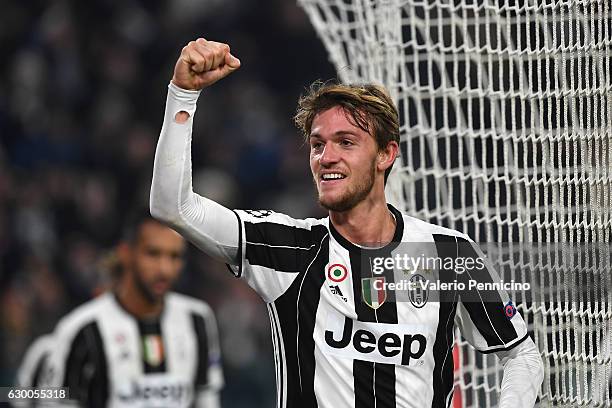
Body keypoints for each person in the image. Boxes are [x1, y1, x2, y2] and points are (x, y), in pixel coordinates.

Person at [150, 38, 544, 407]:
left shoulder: (447, 253)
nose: (326, 157)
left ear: (386, 155)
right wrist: (183, 94)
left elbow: (522, 353)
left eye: (346, 142)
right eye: (318, 144)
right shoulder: (288, 248)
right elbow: (174, 207)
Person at [44, 209, 223, 407]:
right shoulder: (82, 328)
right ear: (126, 253)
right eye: (153, 254)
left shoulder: (197, 319)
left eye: (174, 256)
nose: (165, 269)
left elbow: (206, 397)